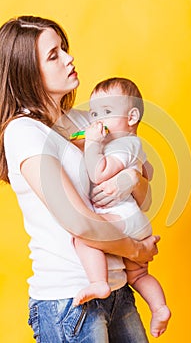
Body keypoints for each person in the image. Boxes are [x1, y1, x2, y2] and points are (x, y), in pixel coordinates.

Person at [0, 16, 160, 343]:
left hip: (118, 290)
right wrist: (136, 249)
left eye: (65, 48)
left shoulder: (85, 120)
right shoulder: (23, 132)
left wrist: (130, 177)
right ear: (27, 71)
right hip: (70, 300)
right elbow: (78, 222)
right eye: (54, 55)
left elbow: (144, 193)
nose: (69, 58)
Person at [72, 77, 171, 338]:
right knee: (138, 275)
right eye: (94, 113)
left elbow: (99, 172)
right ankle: (159, 307)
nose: (97, 121)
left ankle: (99, 283)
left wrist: (93, 144)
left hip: (124, 216)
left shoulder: (124, 144)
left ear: (132, 117)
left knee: (85, 239)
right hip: (134, 219)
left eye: (106, 112)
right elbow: (147, 172)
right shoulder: (133, 146)